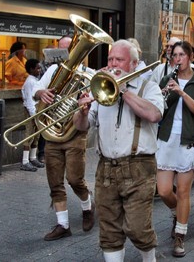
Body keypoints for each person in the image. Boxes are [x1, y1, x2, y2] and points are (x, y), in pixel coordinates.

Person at [73, 39, 163, 262]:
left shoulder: (147, 86)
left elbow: (153, 115)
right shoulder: (99, 88)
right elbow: (81, 127)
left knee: (138, 227)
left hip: (139, 167)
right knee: (109, 229)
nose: (113, 64)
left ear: (133, 64)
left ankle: (150, 259)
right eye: (110, 59)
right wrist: (82, 112)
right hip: (106, 168)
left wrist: (122, 90)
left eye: (119, 60)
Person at [32, 35, 94, 241]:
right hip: (53, 134)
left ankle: (87, 207)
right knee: (55, 182)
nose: (65, 56)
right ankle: (63, 225)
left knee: (75, 179)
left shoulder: (90, 75)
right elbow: (35, 88)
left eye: (71, 50)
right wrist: (41, 92)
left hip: (74, 134)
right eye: (62, 51)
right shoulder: (52, 70)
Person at [156, 41, 194, 258]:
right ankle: (177, 214)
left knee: (183, 191)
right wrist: (161, 95)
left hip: (190, 139)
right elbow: (158, 111)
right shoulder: (166, 79)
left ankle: (180, 235)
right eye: (174, 55)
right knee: (163, 191)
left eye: (181, 55)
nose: (177, 59)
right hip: (167, 139)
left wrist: (182, 92)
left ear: (190, 57)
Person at [19, 58, 45, 172]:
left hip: (36, 110)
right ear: (31, 69)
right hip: (32, 111)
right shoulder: (30, 82)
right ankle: (25, 161)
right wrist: (34, 114)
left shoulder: (35, 80)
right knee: (29, 135)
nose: (39, 70)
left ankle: (33, 157)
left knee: (36, 135)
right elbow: (29, 100)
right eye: (37, 68)